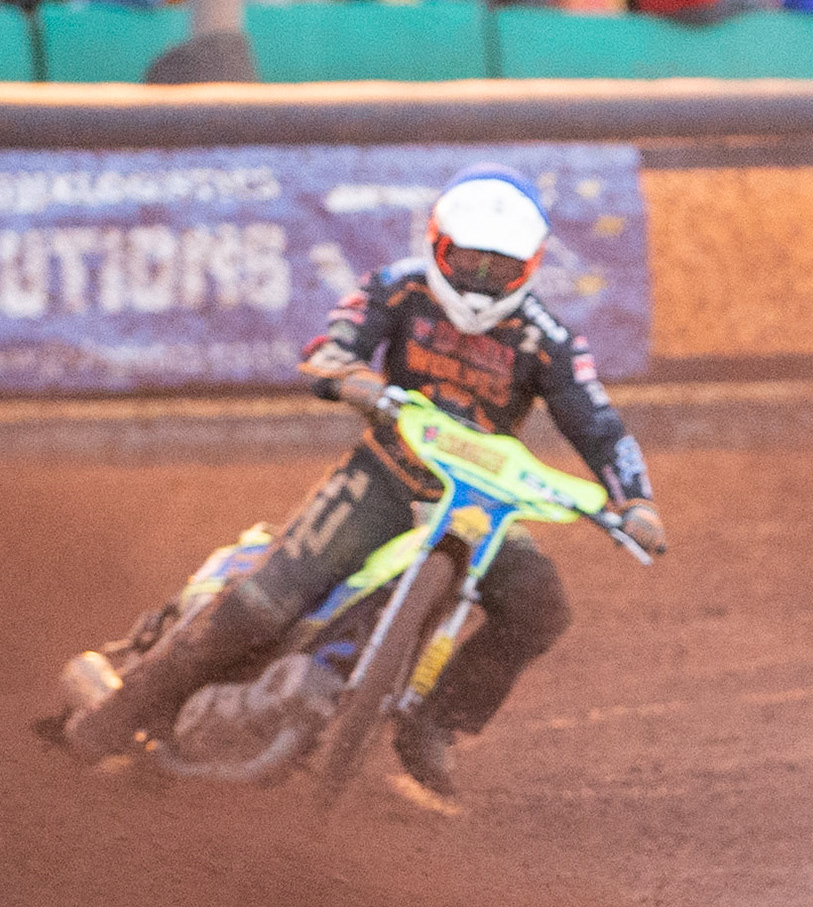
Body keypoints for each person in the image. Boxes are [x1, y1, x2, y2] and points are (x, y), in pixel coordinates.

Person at [64, 164, 667, 796]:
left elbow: (600, 427)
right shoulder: (399, 288)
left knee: (540, 605)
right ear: (437, 245)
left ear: (533, 266)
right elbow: (334, 345)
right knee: (264, 602)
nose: (482, 281)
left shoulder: (549, 340)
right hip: (385, 475)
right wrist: (349, 376)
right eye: (469, 261)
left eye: (501, 269)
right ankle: (114, 719)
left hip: (478, 504)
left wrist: (638, 503)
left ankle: (434, 724)